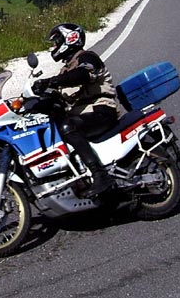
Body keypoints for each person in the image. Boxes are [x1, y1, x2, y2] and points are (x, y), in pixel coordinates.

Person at [33, 23, 119, 198]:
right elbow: (58, 97)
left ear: (69, 39)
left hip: (102, 111)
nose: (54, 47)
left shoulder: (88, 58)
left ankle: (100, 175)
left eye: (56, 42)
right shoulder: (66, 68)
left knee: (67, 127)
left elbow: (81, 75)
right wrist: (31, 102)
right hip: (83, 114)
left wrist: (52, 81)